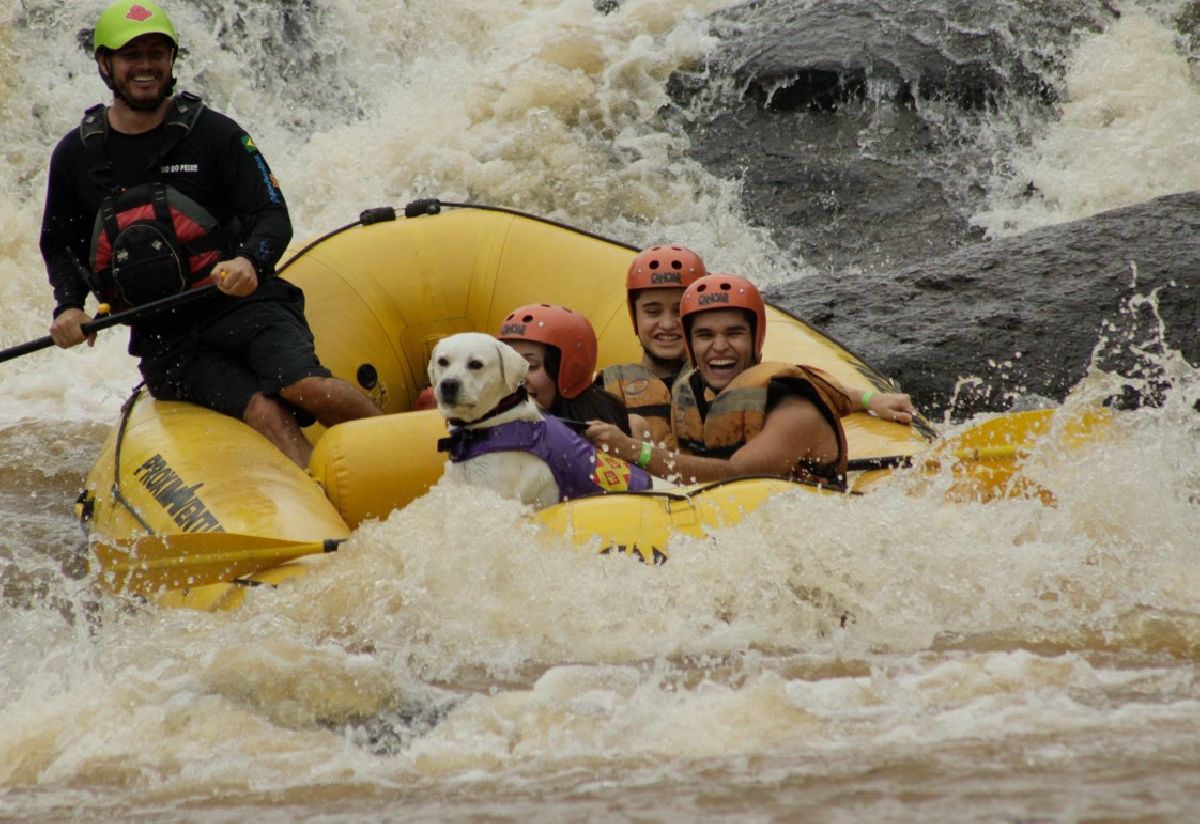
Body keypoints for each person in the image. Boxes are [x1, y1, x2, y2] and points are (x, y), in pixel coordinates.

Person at [40, 0, 379, 468]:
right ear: (105, 63)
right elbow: (59, 244)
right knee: (264, 411)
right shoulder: (75, 155)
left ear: (171, 61)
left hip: (246, 305)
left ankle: (400, 450)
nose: (145, 66)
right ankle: (336, 514)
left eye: (156, 54)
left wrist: (250, 262)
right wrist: (69, 305)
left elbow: (271, 213)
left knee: (304, 386)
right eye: (130, 55)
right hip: (166, 338)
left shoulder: (215, 135)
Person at [586, 274, 917, 488]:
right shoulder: (696, 390)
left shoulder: (795, 408)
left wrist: (634, 452)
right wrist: (866, 398)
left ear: (755, 338)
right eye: (704, 335)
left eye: (734, 333)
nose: (719, 347)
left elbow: (735, 476)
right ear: (690, 345)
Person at [599, 244, 706, 448]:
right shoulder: (603, 391)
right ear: (634, 316)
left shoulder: (722, 382)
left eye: (679, 311)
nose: (667, 324)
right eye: (653, 312)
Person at [497, 303, 639, 435]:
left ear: (569, 372)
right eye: (508, 364)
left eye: (530, 365)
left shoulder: (600, 438)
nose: (515, 378)